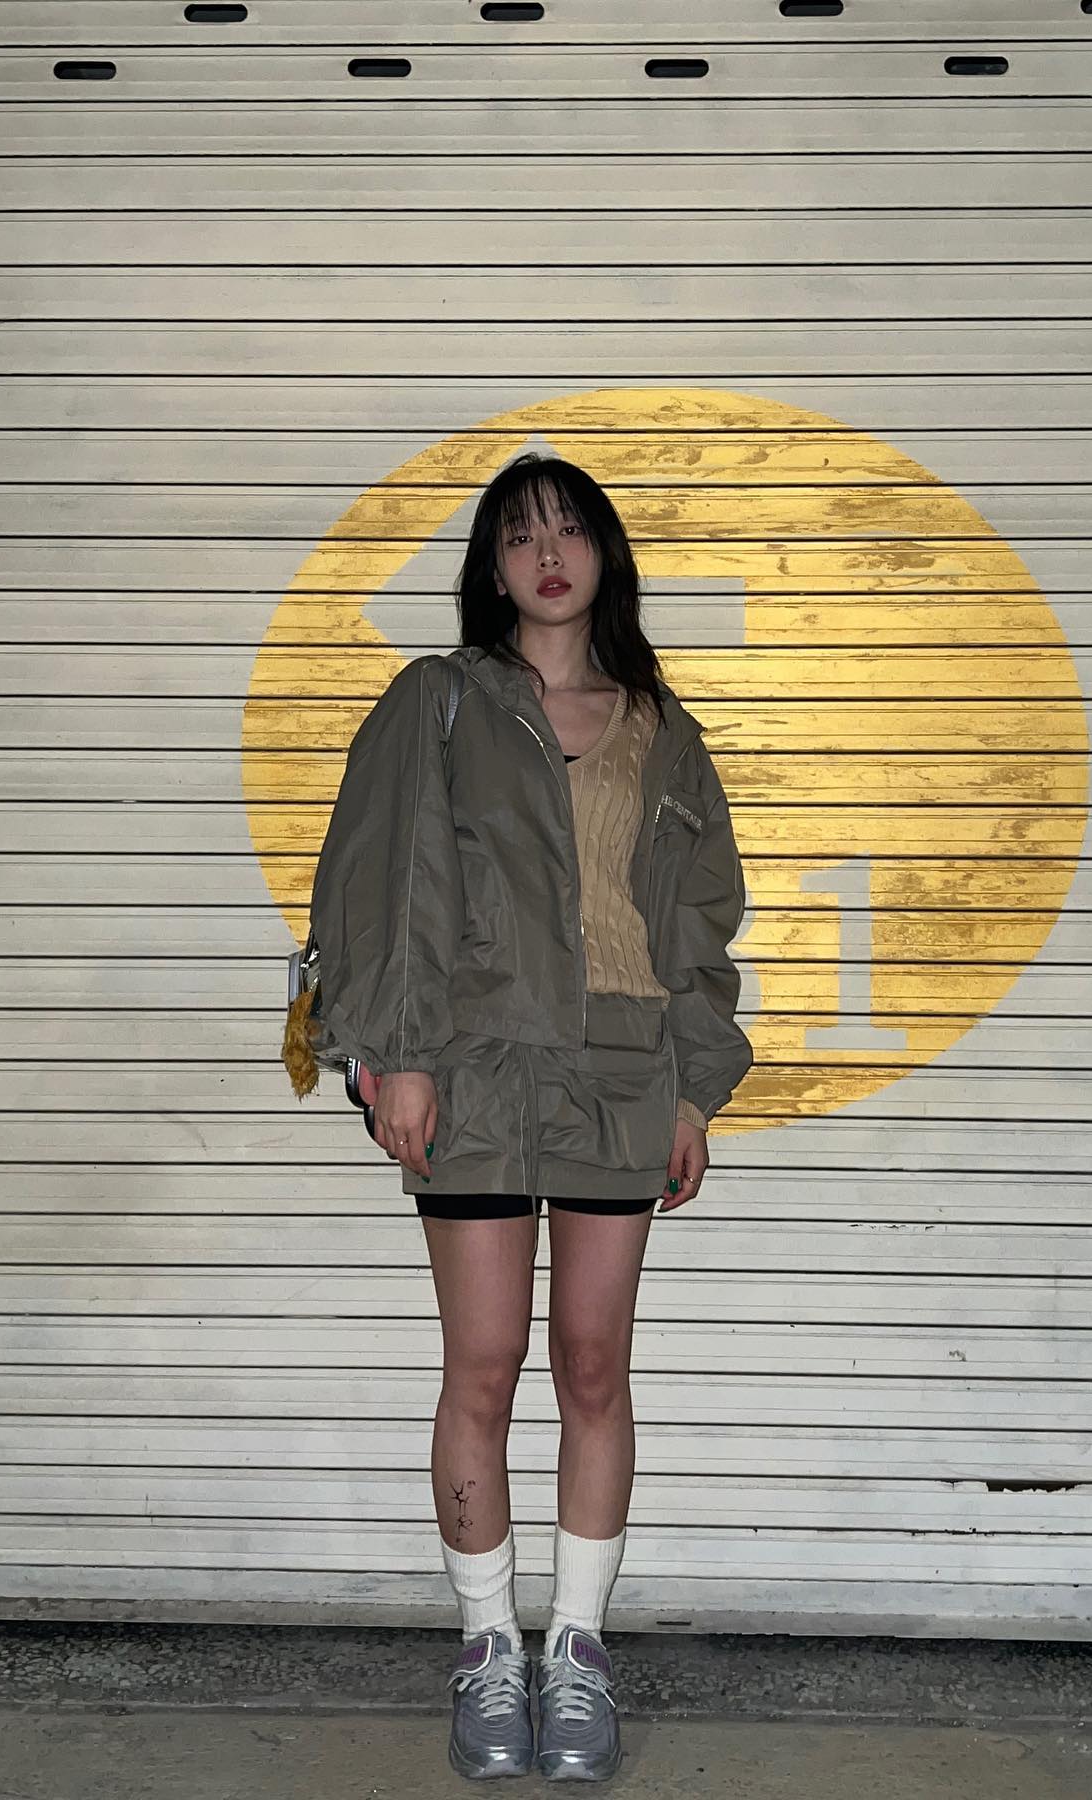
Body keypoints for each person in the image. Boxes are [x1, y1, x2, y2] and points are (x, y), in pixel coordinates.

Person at [308, 451, 752, 1781]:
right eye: (520, 536)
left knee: (595, 1366)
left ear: (606, 555)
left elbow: (700, 924)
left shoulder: (662, 726)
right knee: (486, 1365)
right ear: (491, 567)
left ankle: (580, 1654)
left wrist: (693, 1083)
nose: (548, 556)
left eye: (570, 532)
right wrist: (396, 1055)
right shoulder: (438, 702)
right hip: (477, 1067)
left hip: (622, 1070)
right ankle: (488, 1649)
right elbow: (378, 882)